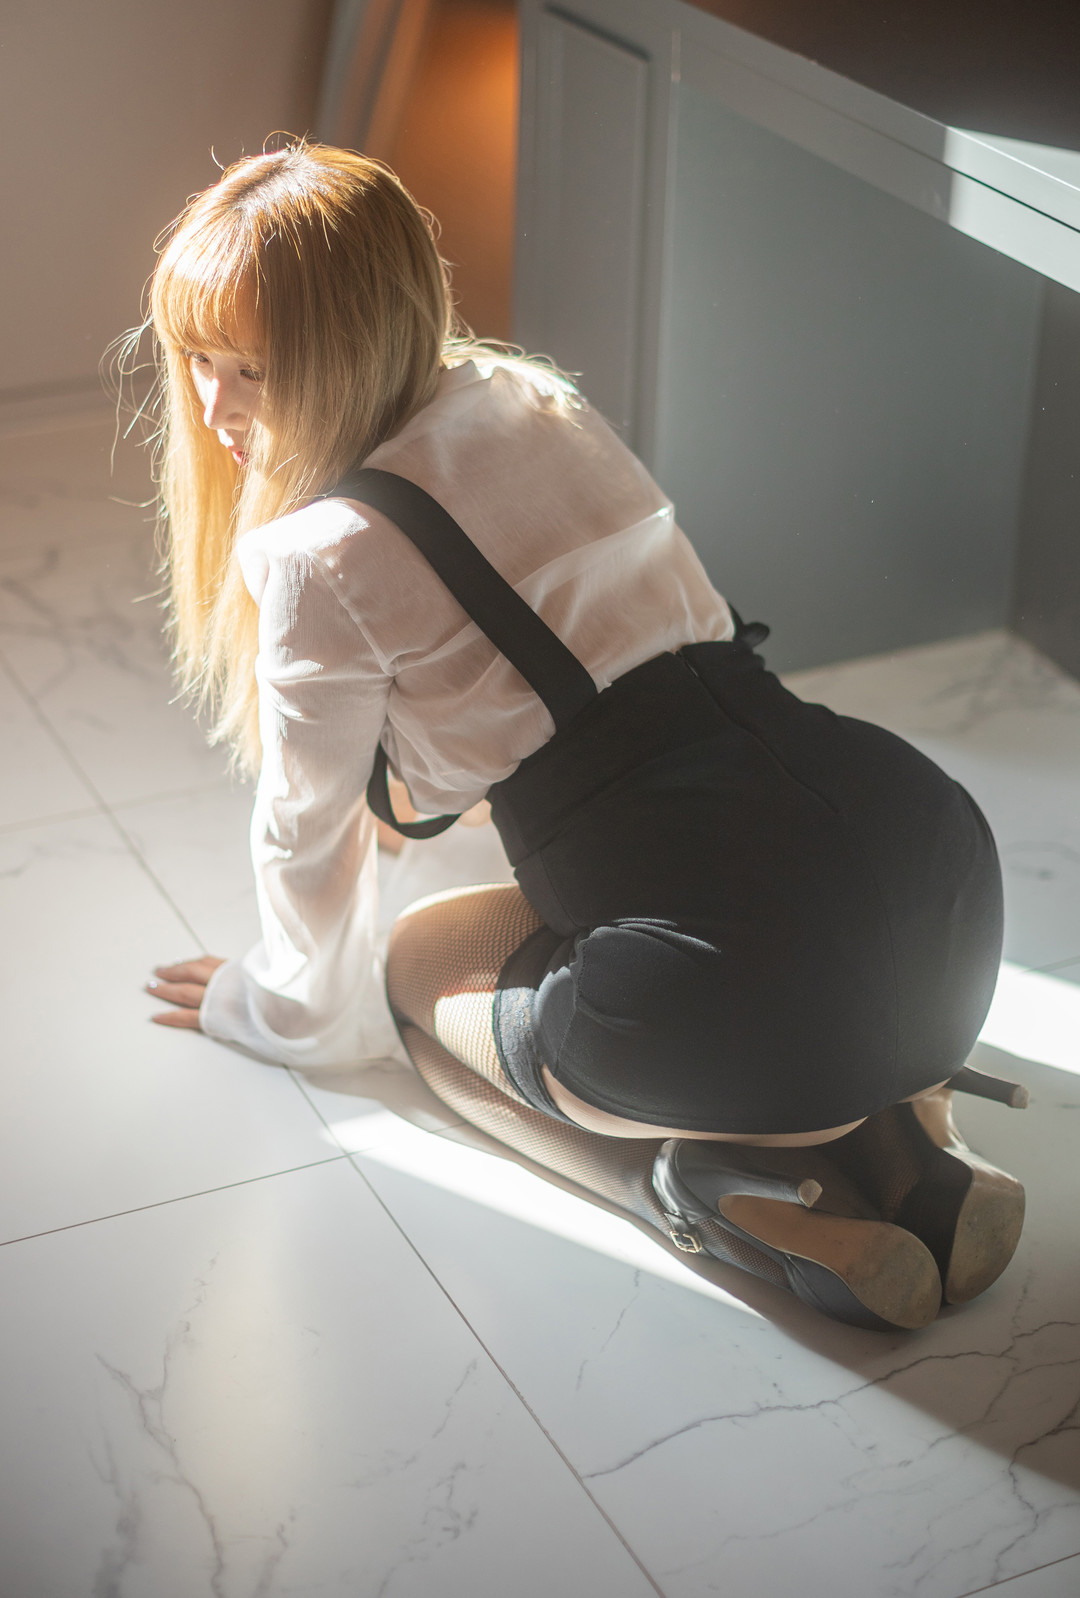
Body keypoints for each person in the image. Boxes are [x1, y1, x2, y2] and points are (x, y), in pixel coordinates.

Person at [138, 138, 1025, 1332]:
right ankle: (918, 1143)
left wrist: (277, 1003)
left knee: (410, 975)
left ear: (345, 342)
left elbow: (308, 828)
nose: (213, 406)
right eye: (196, 359)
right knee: (803, 967)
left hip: (726, 994)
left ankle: (703, 1190)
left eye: (251, 366)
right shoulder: (529, 399)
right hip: (936, 871)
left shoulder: (317, 553)